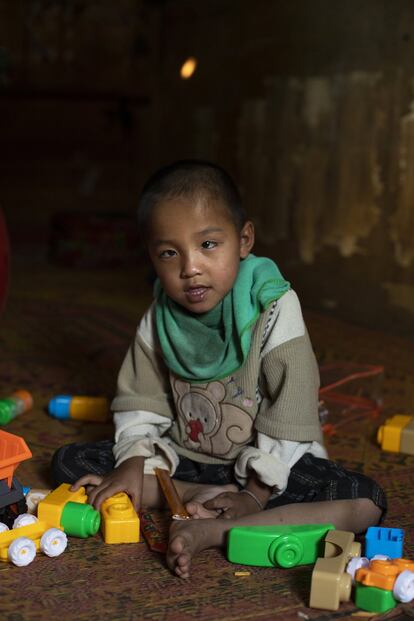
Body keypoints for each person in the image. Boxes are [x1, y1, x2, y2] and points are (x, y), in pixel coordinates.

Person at [52, 160, 386, 579]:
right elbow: (141, 399)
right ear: (152, 258)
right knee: (72, 463)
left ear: (243, 240)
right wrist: (135, 460)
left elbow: (292, 405)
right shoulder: (158, 318)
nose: (190, 267)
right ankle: (205, 496)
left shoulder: (273, 305)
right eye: (169, 253)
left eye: (208, 245)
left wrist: (257, 493)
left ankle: (219, 527)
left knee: (363, 500)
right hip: (186, 460)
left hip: (268, 463)